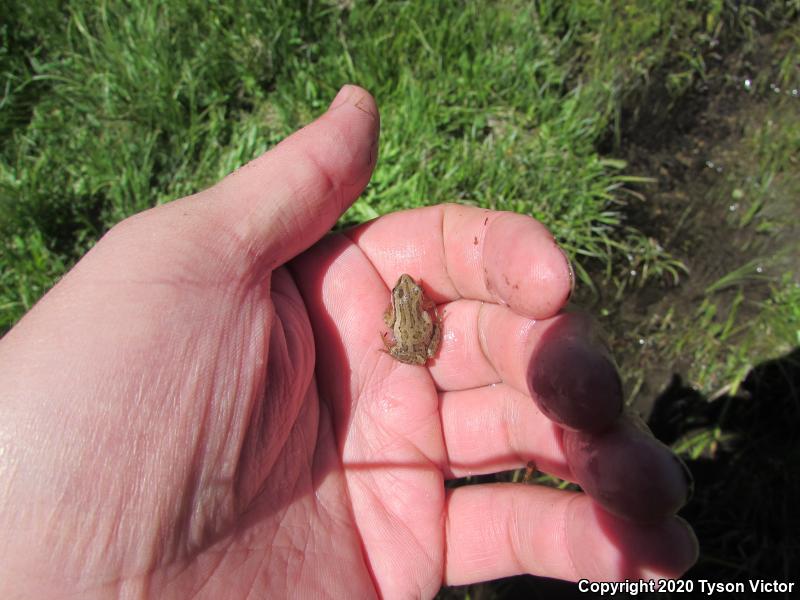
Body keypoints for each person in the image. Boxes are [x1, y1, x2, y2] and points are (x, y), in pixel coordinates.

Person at [0, 85, 697, 598]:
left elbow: (405, 327)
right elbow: (412, 324)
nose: (403, 295)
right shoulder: (410, 310)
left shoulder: (402, 315)